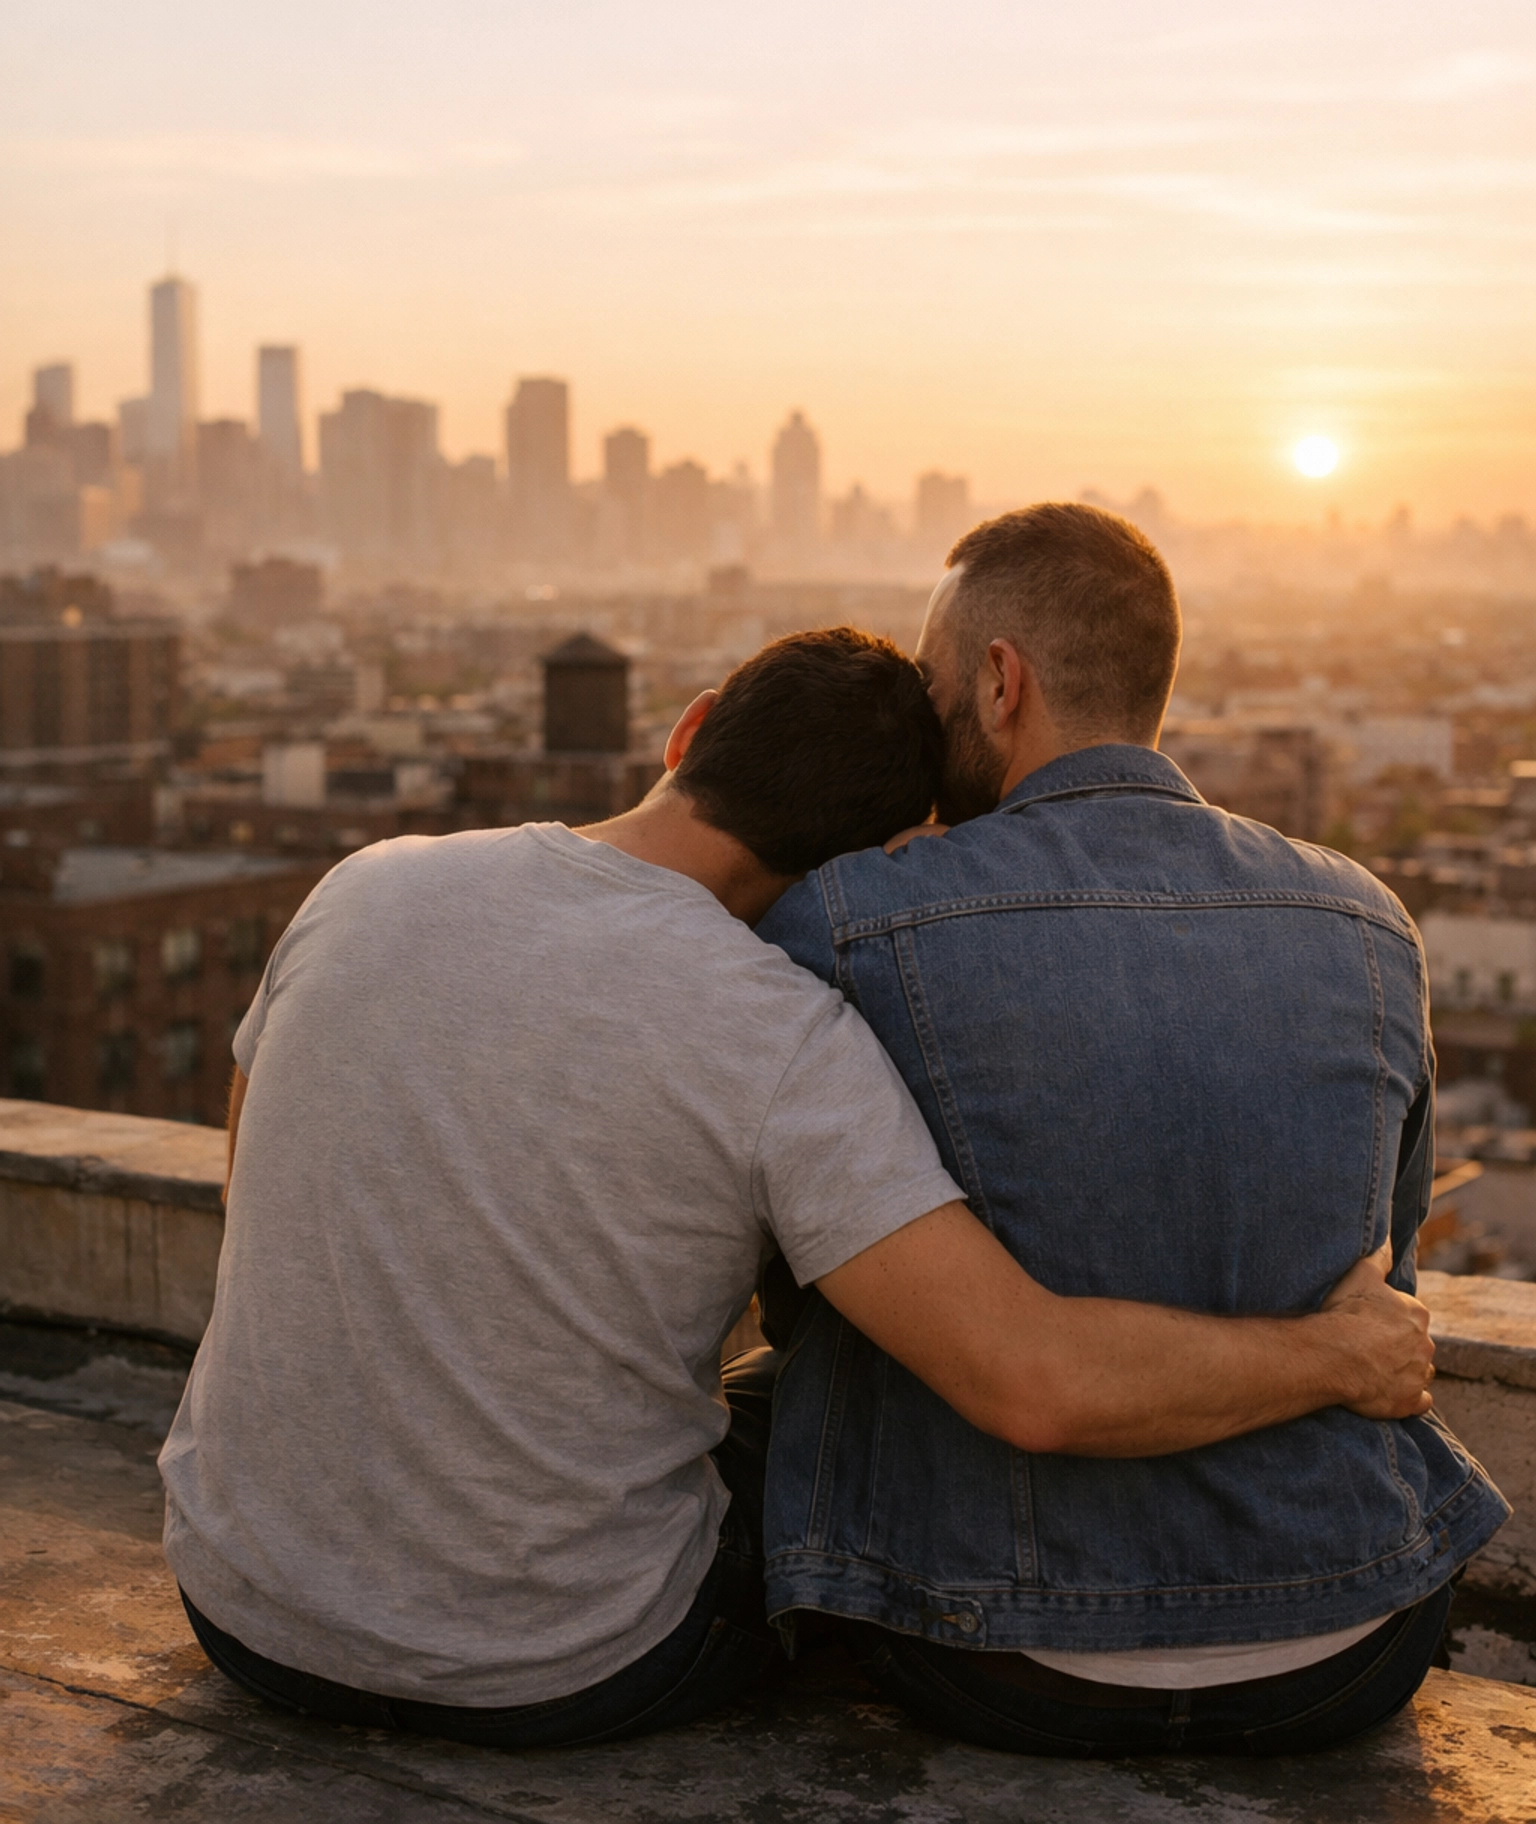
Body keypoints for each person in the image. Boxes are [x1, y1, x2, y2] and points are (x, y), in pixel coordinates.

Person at [161, 624, 1432, 1752]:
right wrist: (1339, 1356)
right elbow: (1030, 1381)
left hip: (245, 1608)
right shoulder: (780, 1032)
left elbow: (254, 1185)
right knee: (841, 1389)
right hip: (566, 1665)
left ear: (691, 728)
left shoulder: (367, 883)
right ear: (882, 853)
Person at [759, 505, 1506, 1761]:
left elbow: (798, 1287)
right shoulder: (1369, 922)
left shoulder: (851, 924)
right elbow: (1384, 1283)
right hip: (1353, 1636)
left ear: (1000, 682)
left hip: (999, 1644)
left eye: (935, 686)